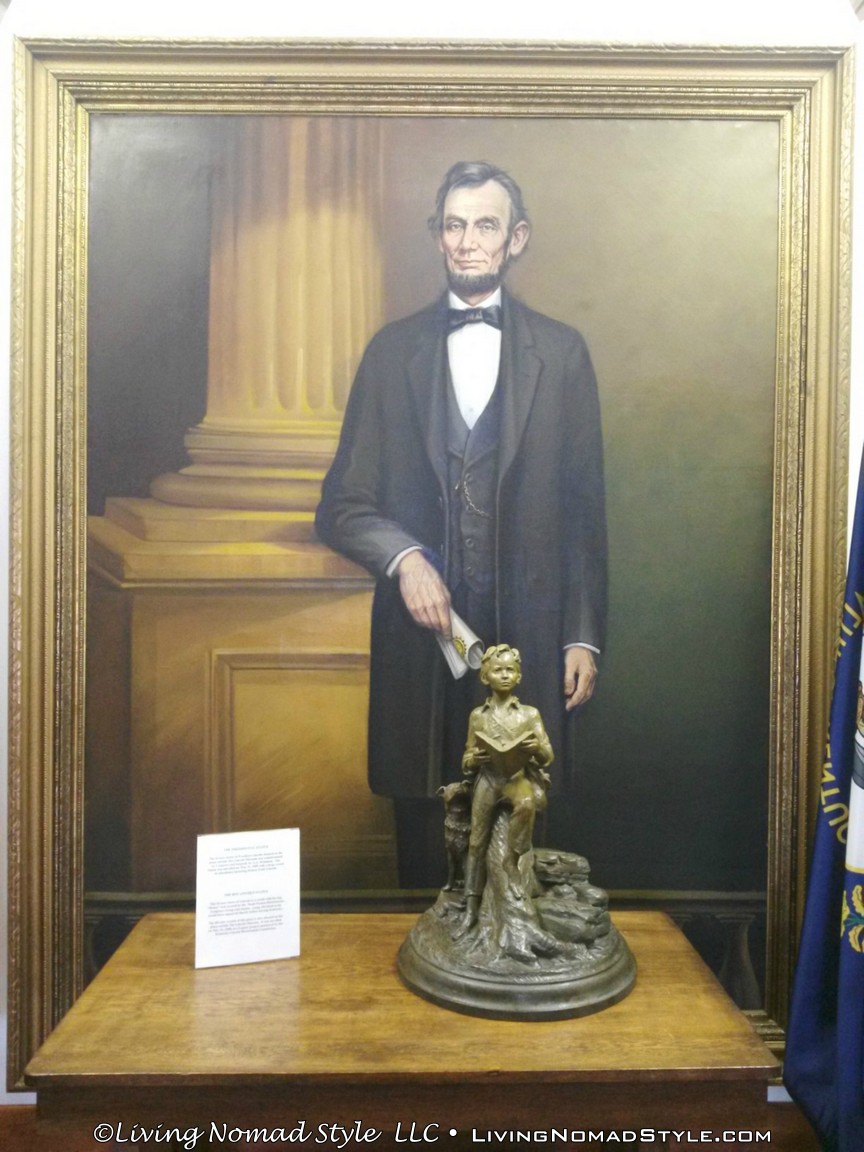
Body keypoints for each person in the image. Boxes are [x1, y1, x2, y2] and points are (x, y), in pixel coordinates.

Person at [316, 160, 606, 886]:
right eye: (454, 225)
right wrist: (406, 559)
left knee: (523, 845)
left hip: (531, 639)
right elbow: (341, 504)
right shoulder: (391, 353)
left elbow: (583, 514)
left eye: (485, 225)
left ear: (517, 238)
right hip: (423, 652)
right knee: (425, 850)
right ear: (436, 235)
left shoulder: (562, 354)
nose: (468, 241)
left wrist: (581, 634)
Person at [458, 644, 553, 934]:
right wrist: (474, 759)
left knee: (526, 804)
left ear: (519, 676)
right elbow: (466, 760)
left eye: (510, 670)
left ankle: (512, 862)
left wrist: (536, 748)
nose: (504, 675)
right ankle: (470, 907)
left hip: (516, 778)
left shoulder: (530, 714)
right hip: (488, 780)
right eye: (497, 670)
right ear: (484, 676)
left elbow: (548, 756)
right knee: (476, 843)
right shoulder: (478, 716)